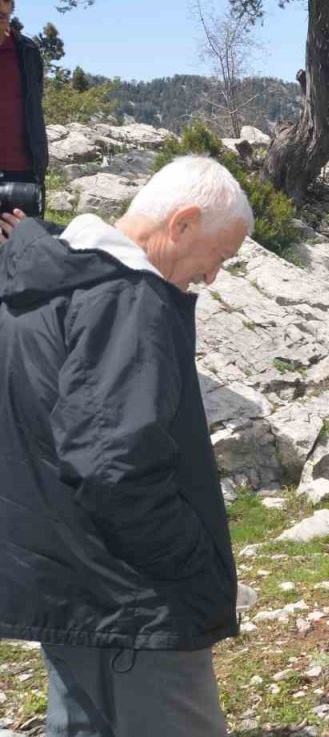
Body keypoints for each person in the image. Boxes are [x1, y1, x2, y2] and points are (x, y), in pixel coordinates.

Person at [0, 156, 254, 736]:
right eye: (220, 254)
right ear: (183, 222)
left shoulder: (43, 279)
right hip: (136, 599)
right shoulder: (127, 297)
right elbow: (115, 465)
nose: (212, 276)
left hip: (65, 583)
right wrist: (194, 568)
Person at [0, 0, 48, 241]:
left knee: (21, 263)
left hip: (22, 176)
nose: (2, 8)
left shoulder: (27, 51)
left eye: (6, 0)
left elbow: (33, 108)